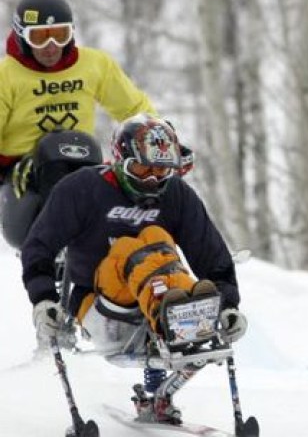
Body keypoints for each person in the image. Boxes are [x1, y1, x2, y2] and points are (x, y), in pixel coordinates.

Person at [20, 114, 246, 422]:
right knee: (140, 241)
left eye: (162, 170)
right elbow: (39, 246)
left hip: (161, 294)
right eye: (143, 168)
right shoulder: (82, 189)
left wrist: (228, 304)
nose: (153, 179)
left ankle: (188, 320)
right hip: (102, 306)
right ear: (120, 160)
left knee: (159, 247)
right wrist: (44, 299)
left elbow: (211, 254)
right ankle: (181, 317)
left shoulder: (176, 195)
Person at [0, 0, 169, 247]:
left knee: (141, 177)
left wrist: (157, 142)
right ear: (22, 36)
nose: (50, 47)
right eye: (40, 38)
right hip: (26, 172)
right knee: (53, 148)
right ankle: (66, 243)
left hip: (82, 161)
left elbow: (133, 108)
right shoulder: (7, 75)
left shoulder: (94, 65)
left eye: (59, 35)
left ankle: (157, 246)